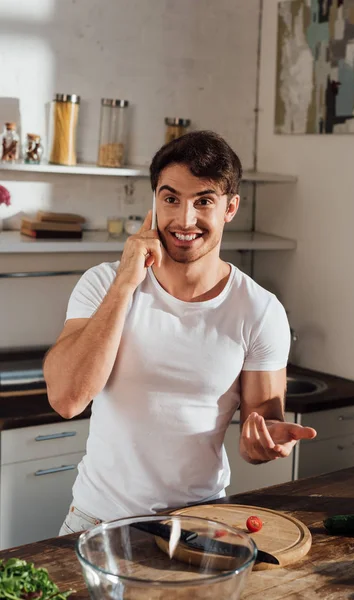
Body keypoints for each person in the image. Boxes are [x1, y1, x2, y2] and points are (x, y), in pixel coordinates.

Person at [43, 130, 317, 534]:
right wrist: (125, 283)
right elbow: (66, 399)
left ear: (230, 208)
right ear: (154, 200)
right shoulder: (103, 284)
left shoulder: (259, 310)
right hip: (96, 522)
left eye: (203, 201)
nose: (184, 219)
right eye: (171, 199)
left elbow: (262, 423)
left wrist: (268, 440)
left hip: (200, 525)